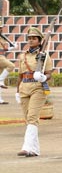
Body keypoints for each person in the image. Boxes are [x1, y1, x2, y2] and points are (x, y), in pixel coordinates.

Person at [16, 27, 52, 157]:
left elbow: (49, 74)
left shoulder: (44, 56)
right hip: (24, 88)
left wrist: (44, 77)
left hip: (38, 88)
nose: (31, 40)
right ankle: (34, 149)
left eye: (34, 38)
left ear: (39, 41)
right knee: (28, 118)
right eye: (29, 38)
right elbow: (20, 75)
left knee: (32, 117)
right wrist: (17, 91)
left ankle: (27, 146)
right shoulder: (23, 56)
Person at [0, 21, 17, 104]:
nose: (0, 29)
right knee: (11, 65)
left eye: (1, 28)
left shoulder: (2, 37)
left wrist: (11, 48)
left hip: (2, 56)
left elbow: (3, 49)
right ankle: (1, 80)